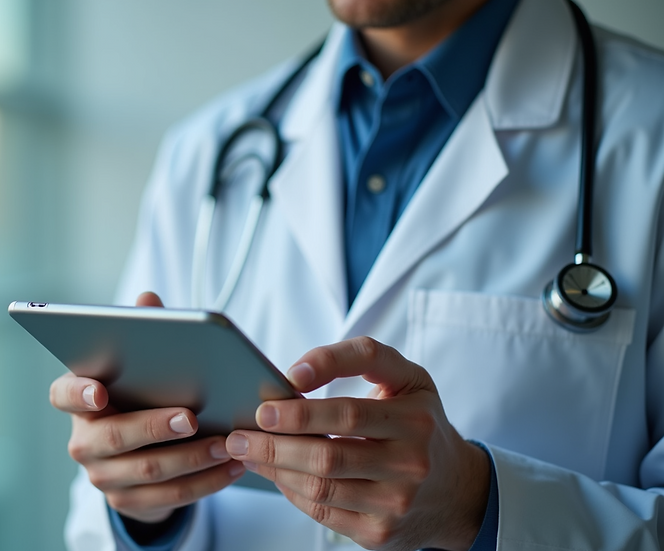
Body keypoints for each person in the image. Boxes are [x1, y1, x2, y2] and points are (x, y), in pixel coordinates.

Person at [49, 0, 664, 549]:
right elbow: (100, 518)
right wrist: (142, 510)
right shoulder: (205, 151)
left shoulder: (647, 130)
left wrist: (476, 506)